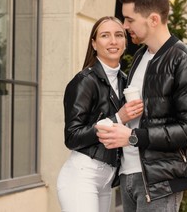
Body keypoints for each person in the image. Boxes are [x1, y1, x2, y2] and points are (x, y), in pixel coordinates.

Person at [96, 0, 187, 212]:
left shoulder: (186, 61)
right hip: (129, 174)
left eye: (130, 19)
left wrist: (133, 137)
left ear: (153, 19)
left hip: (160, 181)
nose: (125, 25)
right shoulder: (140, 57)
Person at [57, 16, 144, 212]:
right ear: (94, 43)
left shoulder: (125, 81)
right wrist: (118, 118)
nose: (113, 41)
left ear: (125, 42)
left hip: (106, 180)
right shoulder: (84, 81)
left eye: (119, 35)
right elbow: (72, 137)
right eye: (105, 35)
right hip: (81, 177)